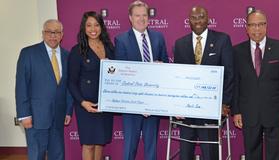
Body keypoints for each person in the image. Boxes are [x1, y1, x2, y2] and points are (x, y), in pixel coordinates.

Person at [232, 10, 279, 160]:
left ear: (266, 26)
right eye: (253, 25)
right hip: (249, 112)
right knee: (252, 154)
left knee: (276, 154)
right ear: (246, 28)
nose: (257, 29)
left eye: (260, 24)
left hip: (275, 113)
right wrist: (236, 111)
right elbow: (236, 84)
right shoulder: (237, 51)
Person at [174, 6, 234, 160]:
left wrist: (224, 103)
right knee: (185, 155)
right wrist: (175, 105)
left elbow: (229, 74)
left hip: (212, 110)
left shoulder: (222, 40)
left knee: (210, 155)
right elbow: (177, 79)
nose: (198, 20)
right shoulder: (180, 44)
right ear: (189, 21)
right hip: (186, 112)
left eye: (201, 16)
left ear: (208, 19)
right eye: (194, 17)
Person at [114, 1, 168, 159]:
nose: (141, 19)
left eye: (144, 15)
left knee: (151, 148)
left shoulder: (158, 37)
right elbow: (122, 75)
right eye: (137, 15)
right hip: (132, 104)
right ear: (130, 18)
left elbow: (165, 64)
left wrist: (161, 65)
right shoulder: (121, 40)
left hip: (153, 102)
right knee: (130, 147)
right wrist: (138, 101)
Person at [15, 19, 73, 160]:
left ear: (62, 35)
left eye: (57, 32)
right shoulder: (28, 53)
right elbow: (21, 86)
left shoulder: (67, 56)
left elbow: (69, 86)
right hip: (35, 117)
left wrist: (68, 110)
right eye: (49, 32)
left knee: (58, 155)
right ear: (43, 33)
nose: (53, 36)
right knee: (36, 155)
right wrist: (24, 115)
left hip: (58, 116)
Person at [68, 11, 114, 160]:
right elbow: (71, 81)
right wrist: (83, 103)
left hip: (105, 103)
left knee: (100, 142)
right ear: (83, 28)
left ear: (101, 27)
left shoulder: (109, 47)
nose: (93, 29)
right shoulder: (77, 50)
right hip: (87, 104)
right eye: (89, 25)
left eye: (96, 24)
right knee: (89, 144)